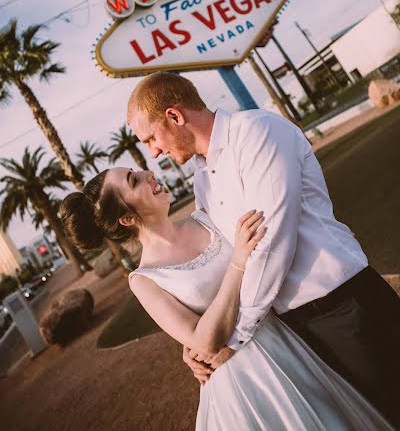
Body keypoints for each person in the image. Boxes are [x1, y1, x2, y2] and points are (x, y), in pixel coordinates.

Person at [126, 71, 400, 428]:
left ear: (175, 117)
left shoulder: (256, 132)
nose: (154, 151)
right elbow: (226, 262)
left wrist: (231, 339)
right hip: (292, 333)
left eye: (151, 138)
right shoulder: (202, 179)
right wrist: (196, 338)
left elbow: (271, 247)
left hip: (343, 307)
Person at [60, 168, 392, 430]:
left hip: (292, 338)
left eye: (138, 171)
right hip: (248, 379)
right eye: (134, 181)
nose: (149, 174)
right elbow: (205, 343)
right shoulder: (145, 279)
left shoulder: (208, 216)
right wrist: (238, 261)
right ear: (127, 219)